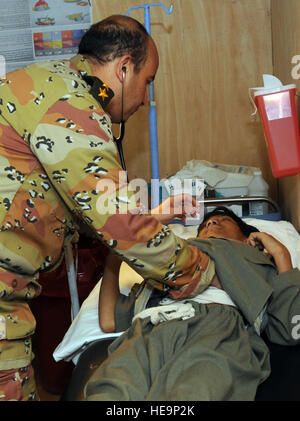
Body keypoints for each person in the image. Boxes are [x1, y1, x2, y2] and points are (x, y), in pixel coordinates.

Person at [0, 15, 210, 401]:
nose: (146, 98)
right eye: (148, 81)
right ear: (124, 67)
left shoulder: (47, 81)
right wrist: (201, 271)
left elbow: (87, 210)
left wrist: (153, 217)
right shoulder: (72, 109)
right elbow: (122, 227)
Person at [84, 206, 300, 401]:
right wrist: (115, 256)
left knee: (193, 392)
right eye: (205, 225)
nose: (211, 223)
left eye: (223, 220)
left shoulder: (255, 260)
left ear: (246, 239)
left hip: (218, 329)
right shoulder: (174, 257)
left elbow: (291, 331)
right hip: (152, 325)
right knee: (109, 391)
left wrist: (281, 254)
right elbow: (109, 320)